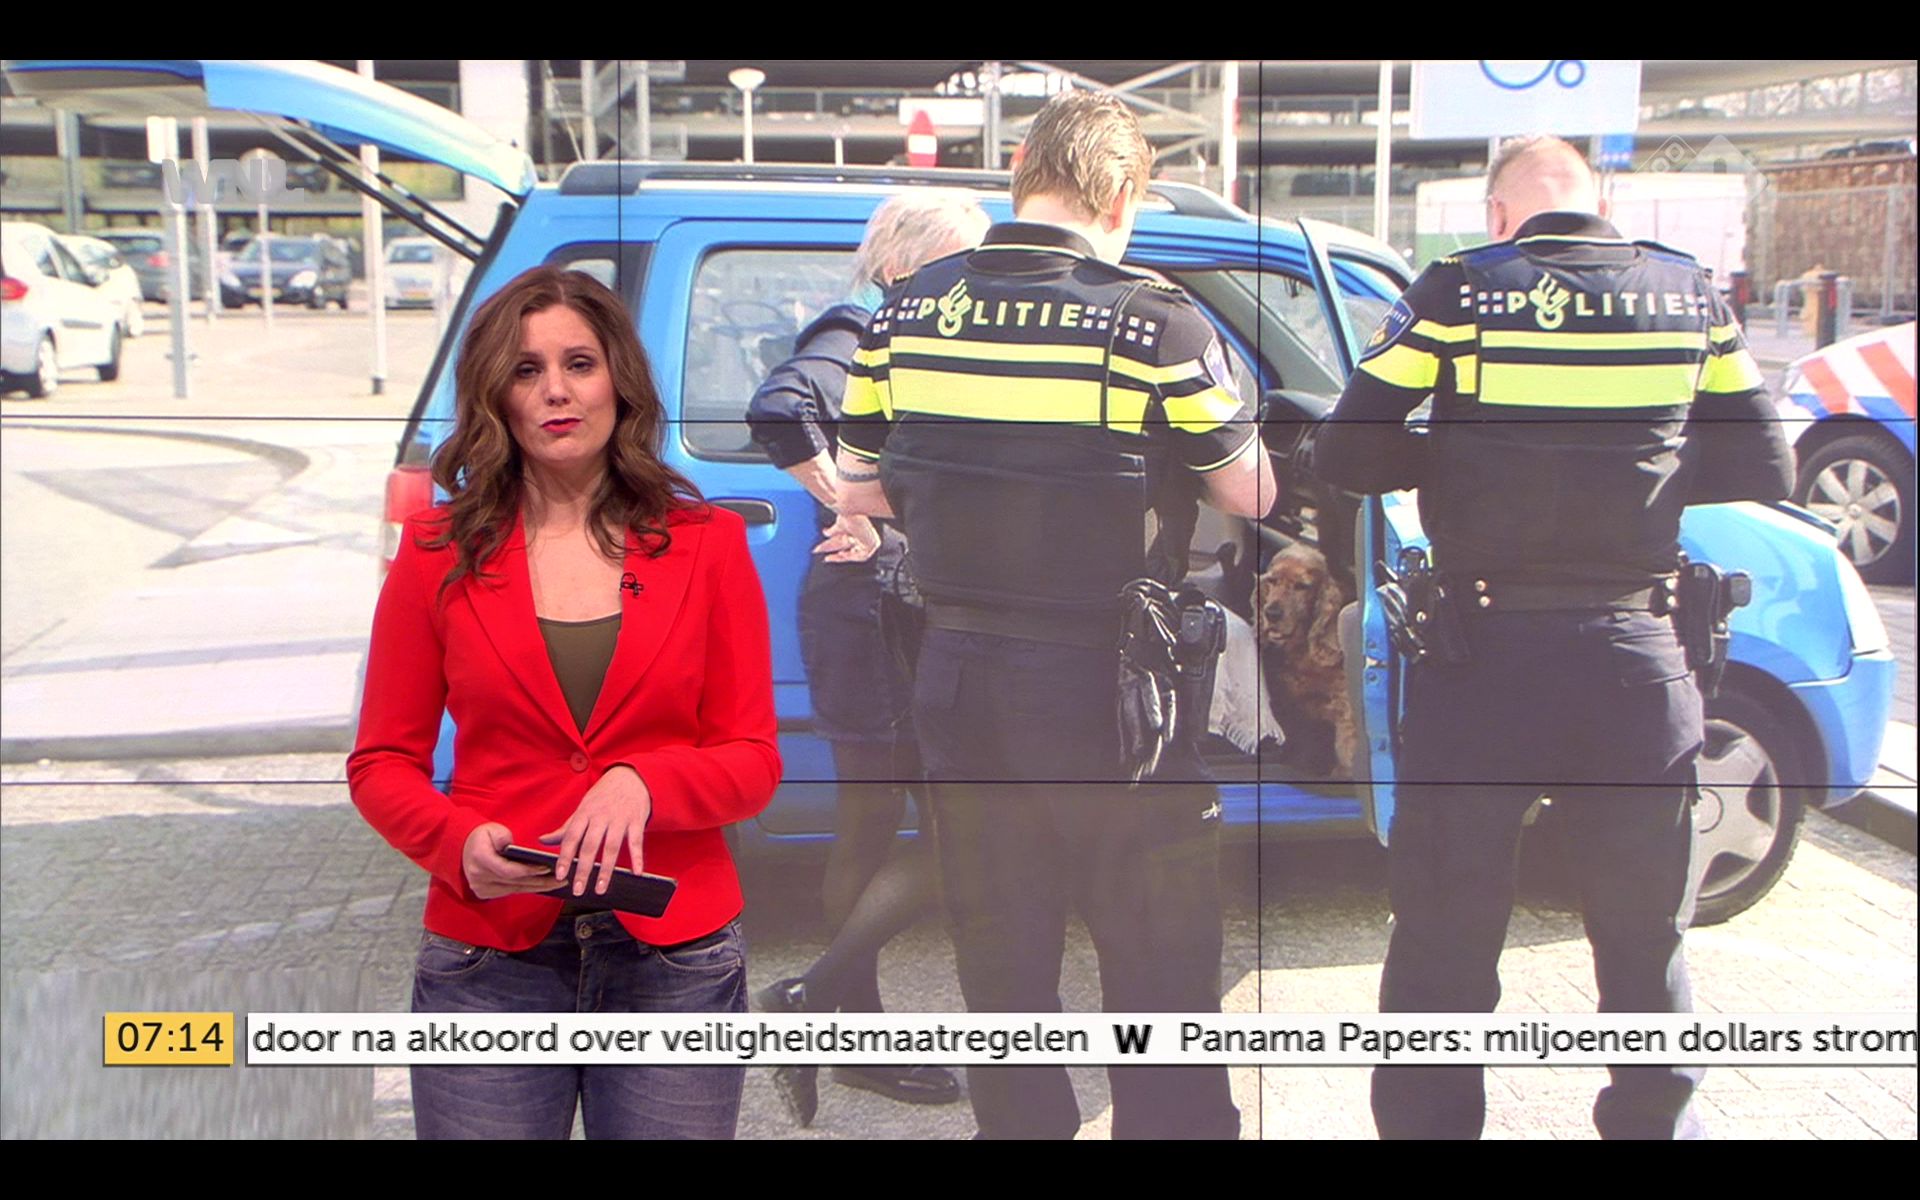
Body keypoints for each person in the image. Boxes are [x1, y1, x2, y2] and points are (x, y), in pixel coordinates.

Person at [1313, 134, 1794, 1140]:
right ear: (1598, 199)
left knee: (1444, 944)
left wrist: (1457, 463)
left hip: (1481, 663)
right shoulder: (1688, 295)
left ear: (1500, 214)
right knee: (1644, 943)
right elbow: (1767, 465)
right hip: (1636, 655)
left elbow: (1348, 450)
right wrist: (1639, 476)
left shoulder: (1459, 289)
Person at [834, 89, 1276, 1141]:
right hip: (1112, 694)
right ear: (1122, 197)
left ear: (1020, 170)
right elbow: (1251, 492)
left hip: (959, 675)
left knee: (1002, 963)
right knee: (1159, 961)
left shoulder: (906, 310)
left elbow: (860, 484)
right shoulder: (1155, 318)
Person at [347, 265, 782, 1140]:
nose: (556, 390)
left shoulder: (706, 543)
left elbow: (752, 760)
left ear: (618, 380)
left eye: (579, 363)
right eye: (526, 369)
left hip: (674, 959)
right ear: (495, 397)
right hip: (490, 956)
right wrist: (454, 844)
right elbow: (381, 762)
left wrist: (645, 783)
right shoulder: (436, 552)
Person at [743, 191, 989, 1125]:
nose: (972, 281)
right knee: (899, 826)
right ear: (901, 268)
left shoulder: (915, 337)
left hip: (898, 611)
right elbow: (780, 406)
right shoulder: (857, 328)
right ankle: (847, 1031)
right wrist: (849, 504)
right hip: (870, 617)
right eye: (958, 263)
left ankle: (821, 1011)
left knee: (932, 827)